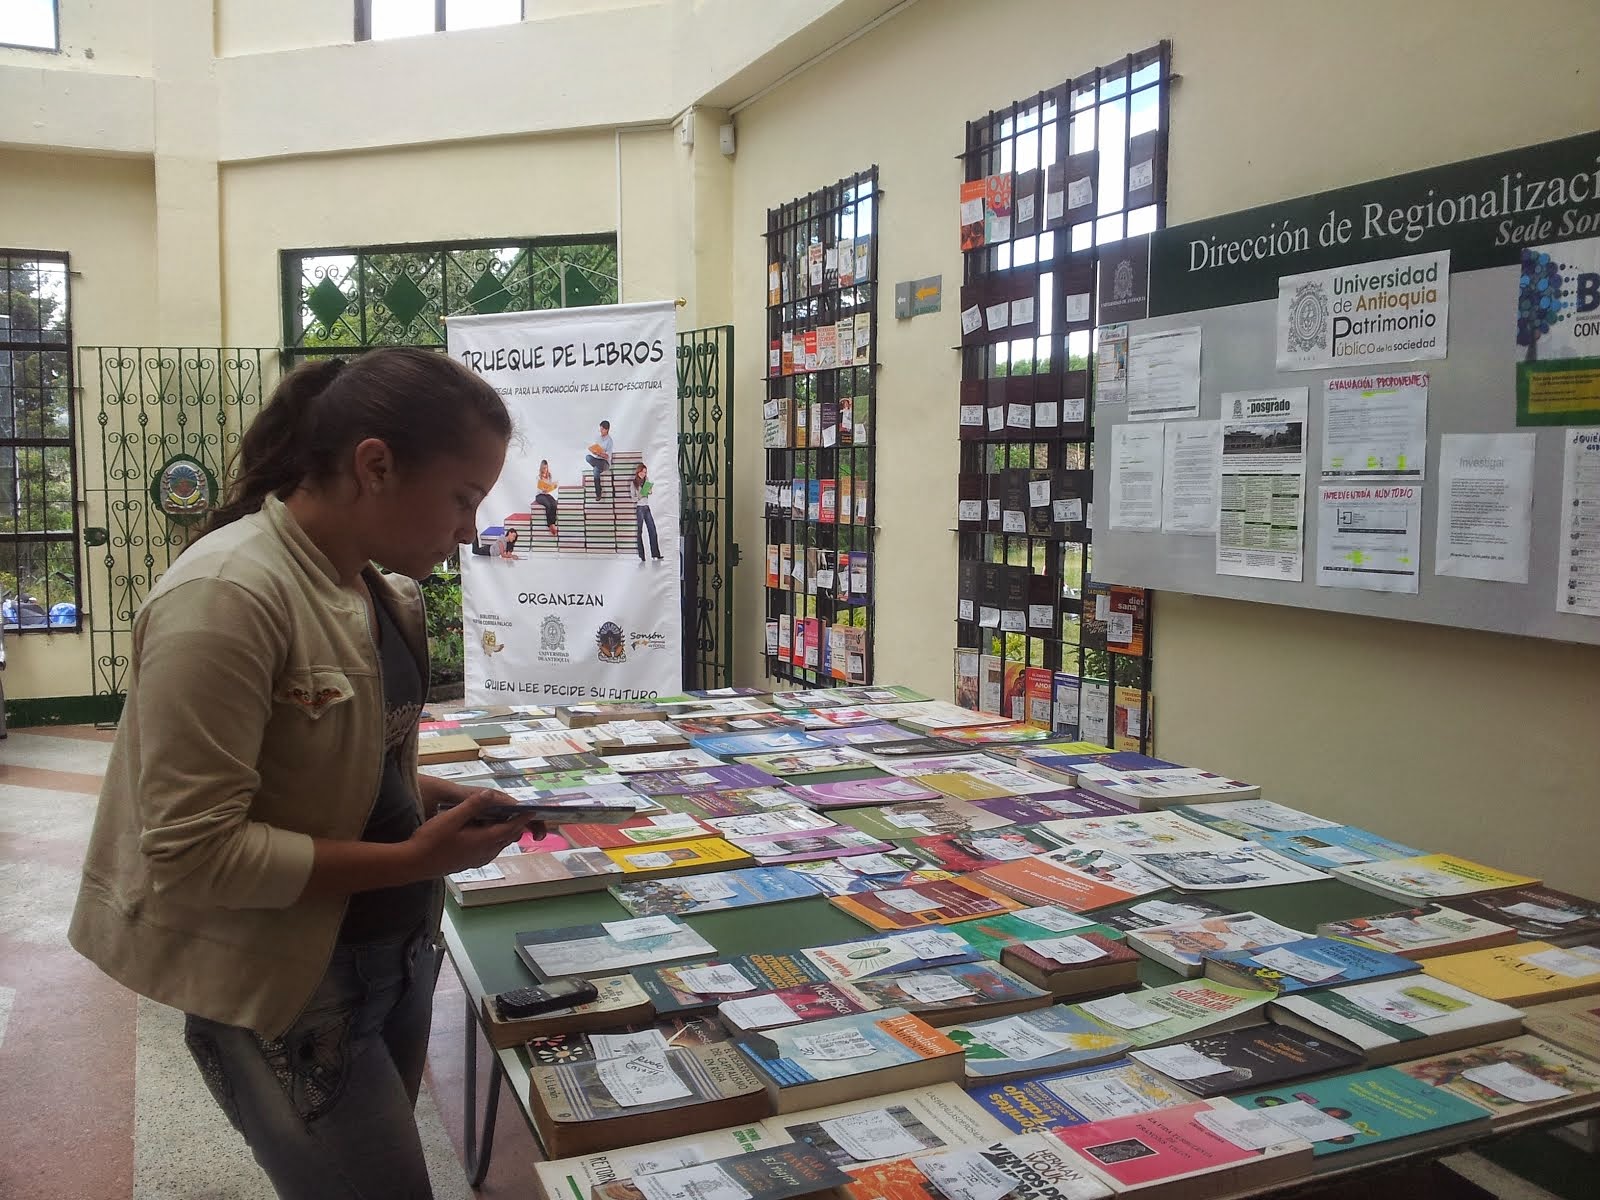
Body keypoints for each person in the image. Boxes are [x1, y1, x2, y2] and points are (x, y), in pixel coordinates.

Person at [68, 347, 540, 1200]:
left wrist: (439, 803)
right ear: (374, 465)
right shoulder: (226, 595)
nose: (470, 530)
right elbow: (193, 851)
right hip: (288, 990)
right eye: (464, 498)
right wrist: (413, 860)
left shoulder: (380, 595)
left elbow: (349, 769)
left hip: (391, 958)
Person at [632, 461, 662, 562]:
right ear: (638, 472)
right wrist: (641, 495)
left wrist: (649, 491)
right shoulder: (634, 483)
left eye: (645, 472)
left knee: (652, 530)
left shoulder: (646, 480)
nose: (644, 474)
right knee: (639, 532)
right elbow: (633, 498)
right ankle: (642, 555)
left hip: (646, 507)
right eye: (642, 472)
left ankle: (656, 554)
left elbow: (649, 492)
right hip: (640, 508)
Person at [585, 419, 613, 499]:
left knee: (596, 470)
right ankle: (597, 466)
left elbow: (608, 456)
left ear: (607, 430)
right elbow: (595, 448)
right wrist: (593, 451)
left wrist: (600, 454)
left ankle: (598, 493)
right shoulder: (598, 438)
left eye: (602, 429)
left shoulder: (609, 441)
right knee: (588, 457)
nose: (601, 431)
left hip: (605, 463)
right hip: (597, 459)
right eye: (600, 429)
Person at [533, 458, 559, 543]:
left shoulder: (549, 476)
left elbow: (550, 486)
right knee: (548, 505)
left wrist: (552, 487)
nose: (545, 469)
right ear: (541, 468)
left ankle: (553, 523)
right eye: (543, 468)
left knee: (554, 504)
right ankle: (550, 525)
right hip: (539, 495)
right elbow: (538, 489)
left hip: (547, 494)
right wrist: (543, 490)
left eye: (546, 468)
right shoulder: (538, 477)